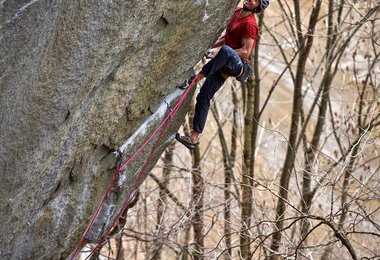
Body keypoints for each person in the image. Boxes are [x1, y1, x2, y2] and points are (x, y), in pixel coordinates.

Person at [176, 0, 269, 150]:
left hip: (236, 64)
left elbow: (245, 51)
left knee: (226, 50)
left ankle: (194, 80)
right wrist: (211, 48)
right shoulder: (237, 12)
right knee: (204, 95)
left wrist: (219, 51)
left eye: (255, 0)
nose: (250, 0)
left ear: (258, 6)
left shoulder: (250, 24)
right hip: (223, 61)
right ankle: (193, 138)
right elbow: (227, 38)